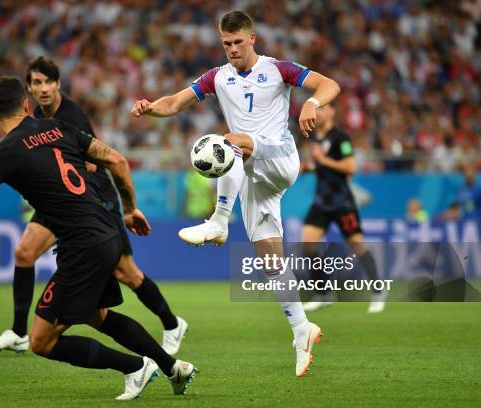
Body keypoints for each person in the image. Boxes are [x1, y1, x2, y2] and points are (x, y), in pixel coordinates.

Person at [0, 76, 197, 400]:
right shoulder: (58, 128)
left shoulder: (2, 154)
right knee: (96, 315)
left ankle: (135, 367)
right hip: (107, 231)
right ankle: (172, 367)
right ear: (25, 103)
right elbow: (117, 160)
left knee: (41, 341)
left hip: (82, 246)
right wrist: (131, 209)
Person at [132, 10, 341, 377]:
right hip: (252, 176)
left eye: (237, 42)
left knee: (229, 142)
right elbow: (176, 102)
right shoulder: (218, 77)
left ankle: (218, 221)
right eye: (226, 43)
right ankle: (301, 329)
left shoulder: (279, 69)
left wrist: (311, 103)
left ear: (252, 38)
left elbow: (330, 85)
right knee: (270, 261)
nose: (231, 49)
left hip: (279, 156)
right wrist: (151, 108)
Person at [0, 57, 188, 356]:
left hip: (93, 199)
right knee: (24, 252)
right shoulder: (35, 117)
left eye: (48, 81)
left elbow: (90, 165)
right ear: (27, 92)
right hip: (62, 201)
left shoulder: (71, 116)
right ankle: (18, 332)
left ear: (58, 84)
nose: (43, 89)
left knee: (126, 273)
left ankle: (171, 323)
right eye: (36, 83)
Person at [300, 103, 386, 314]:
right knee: (308, 243)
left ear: (331, 111)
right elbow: (322, 166)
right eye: (316, 109)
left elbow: (350, 167)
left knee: (357, 244)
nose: (317, 113)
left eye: (321, 109)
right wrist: (309, 167)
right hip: (321, 201)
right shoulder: (315, 138)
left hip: (342, 202)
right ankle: (323, 294)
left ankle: (378, 291)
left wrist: (322, 160)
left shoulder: (341, 137)